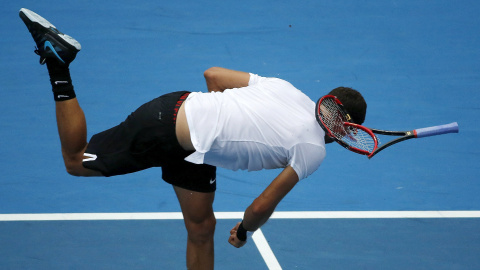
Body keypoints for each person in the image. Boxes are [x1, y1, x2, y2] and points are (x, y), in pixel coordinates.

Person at [19, 8, 367, 269]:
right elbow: (260, 207)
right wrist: (245, 230)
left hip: (193, 140)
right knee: (76, 162)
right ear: (349, 131)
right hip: (164, 128)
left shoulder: (287, 89)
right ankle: (58, 65)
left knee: (201, 226)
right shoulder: (313, 150)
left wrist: (217, 124)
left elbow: (213, 75)